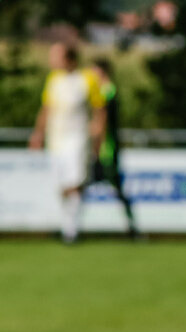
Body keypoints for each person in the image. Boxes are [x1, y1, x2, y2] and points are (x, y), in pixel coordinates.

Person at [29, 42, 107, 244]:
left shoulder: (87, 79)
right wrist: (38, 134)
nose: (51, 61)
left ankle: (71, 230)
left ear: (69, 59)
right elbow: (46, 108)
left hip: (78, 137)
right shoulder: (53, 80)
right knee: (60, 185)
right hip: (56, 139)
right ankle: (66, 224)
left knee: (75, 181)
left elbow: (99, 110)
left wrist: (98, 133)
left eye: (56, 56)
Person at [90, 59, 137, 237]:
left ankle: (132, 228)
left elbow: (102, 122)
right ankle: (70, 227)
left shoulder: (106, 91)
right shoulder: (106, 91)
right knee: (84, 187)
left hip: (107, 149)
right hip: (107, 147)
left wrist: (96, 143)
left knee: (113, 186)